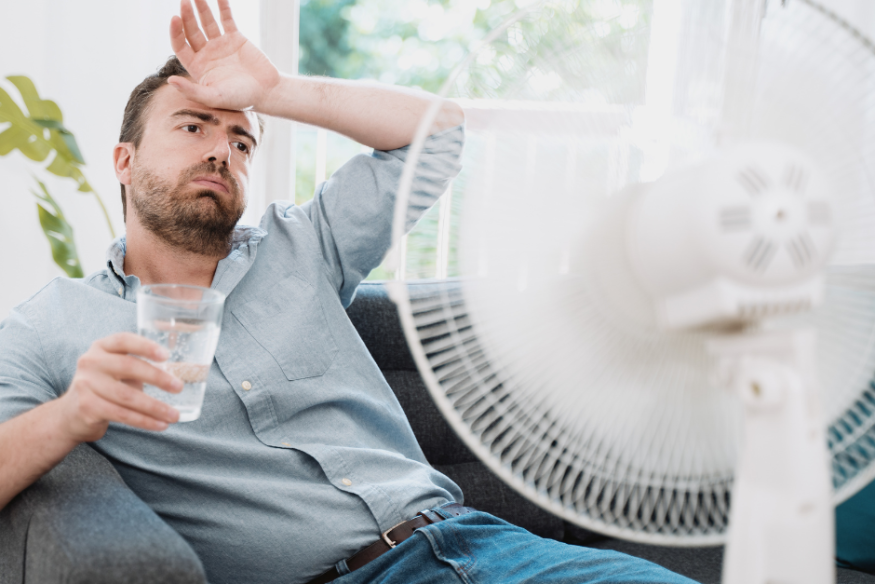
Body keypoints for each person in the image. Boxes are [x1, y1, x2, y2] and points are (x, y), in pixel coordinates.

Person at [0, 1, 698, 583]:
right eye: (192, 127)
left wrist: (270, 92)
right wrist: (74, 414)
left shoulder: (303, 245)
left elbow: (438, 132)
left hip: (480, 548)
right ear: (124, 162)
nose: (221, 150)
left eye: (242, 140)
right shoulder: (50, 327)